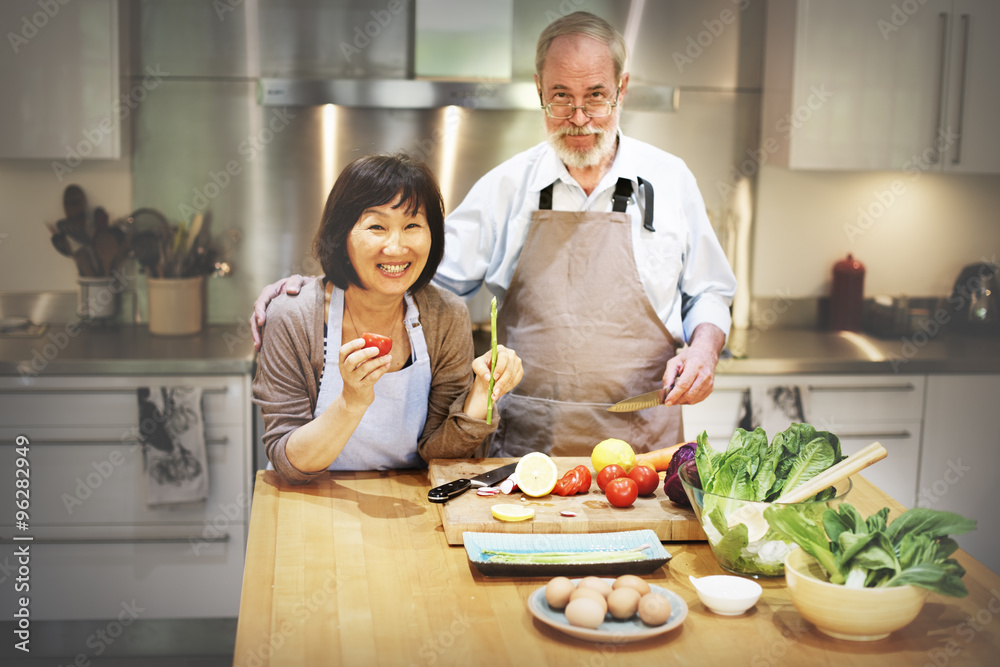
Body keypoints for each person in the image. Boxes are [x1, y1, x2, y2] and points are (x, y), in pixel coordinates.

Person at [252, 12, 736, 458]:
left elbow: (709, 289)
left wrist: (704, 349)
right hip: (526, 450)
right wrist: (319, 289)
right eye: (561, 95)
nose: (579, 116)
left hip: (643, 442)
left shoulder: (671, 180)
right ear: (538, 89)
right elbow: (411, 272)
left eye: (596, 95)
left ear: (622, 89)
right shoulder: (507, 187)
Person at [252, 153, 522, 484]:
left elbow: (437, 454)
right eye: (376, 226)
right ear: (342, 236)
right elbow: (288, 461)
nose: (395, 248)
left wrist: (481, 395)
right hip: (308, 501)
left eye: (412, 226)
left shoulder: (445, 316)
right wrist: (352, 402)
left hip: (409, 504)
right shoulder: (293, 317)